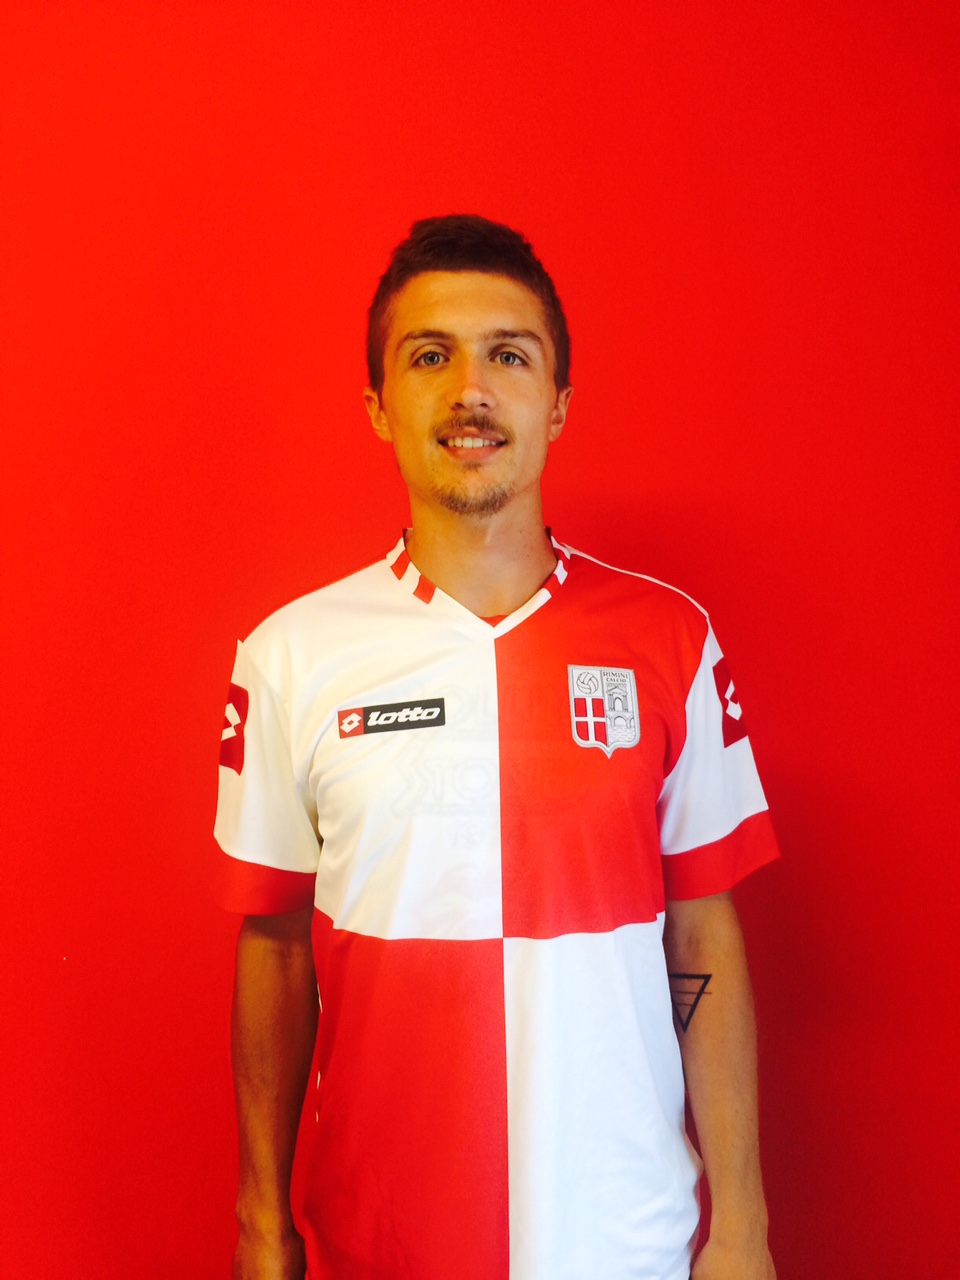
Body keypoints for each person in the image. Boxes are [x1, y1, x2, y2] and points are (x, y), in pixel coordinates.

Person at [214, 214, 779, 1280]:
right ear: (379, 404)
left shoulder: (672, 638)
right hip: (382, 1241)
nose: (470, 389)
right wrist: (260, 1221)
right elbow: (275, 945)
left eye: (509, 356)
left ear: (557, 403)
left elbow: (702, 929)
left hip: (628, 1240)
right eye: (430, 356)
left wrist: (741, 1227)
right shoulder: (290, 655)